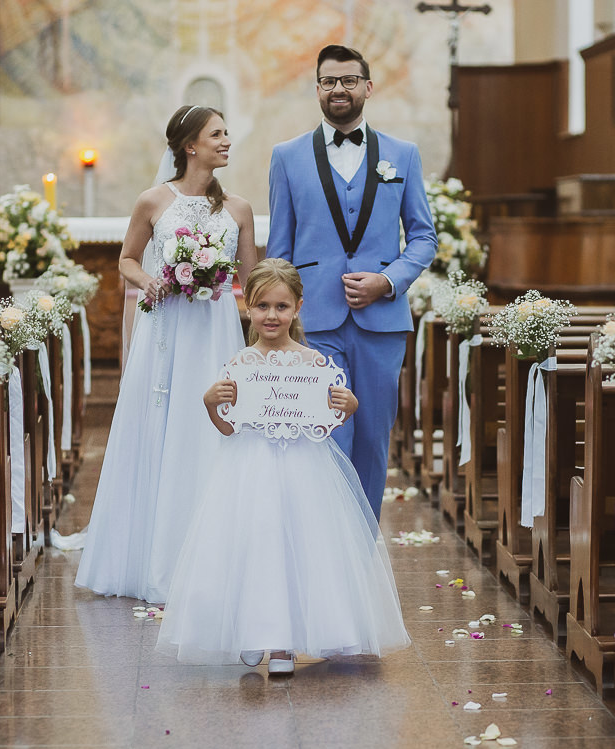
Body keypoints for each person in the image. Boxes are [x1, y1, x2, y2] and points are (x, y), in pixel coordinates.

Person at [155, 259, 410, 674]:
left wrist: (349, 406)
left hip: (303, 468)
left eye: (281, 306)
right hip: (250, 467)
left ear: (298, 308)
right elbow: (228, 428)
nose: (271, 316)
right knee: (255, 543)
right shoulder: (240, 365)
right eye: (262, 306)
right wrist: (210, 403)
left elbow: (325, 423)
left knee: (298, 547)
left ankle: (283, 646)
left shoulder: (313, 364)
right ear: (248, 306)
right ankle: (252, 632)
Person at [74, 104, 257, 603]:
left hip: (215, 328)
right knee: (164, 423)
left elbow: (251, 281)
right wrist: (151, 280)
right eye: (217, 134)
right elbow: (127, 259)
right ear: (189, 146)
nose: (227, 141)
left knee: (211, 424)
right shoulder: (153, 201)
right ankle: (154, 558)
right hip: (167, 328)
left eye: (226, 133)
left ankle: (215, 557)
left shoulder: (238, 208)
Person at [267, 44, 437, 520]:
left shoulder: (403, 155)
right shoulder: (287, 157)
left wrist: (387, 280)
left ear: (368, 87)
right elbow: (279, 249)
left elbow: (423, 237)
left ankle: (363, 545)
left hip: (382, 323)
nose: (338, 89)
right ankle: (328, 541)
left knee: (373, 438)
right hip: (314, 322)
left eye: (348, 80)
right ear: (317, 89)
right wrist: (277, 318)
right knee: (326, 432)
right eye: (328, 81)